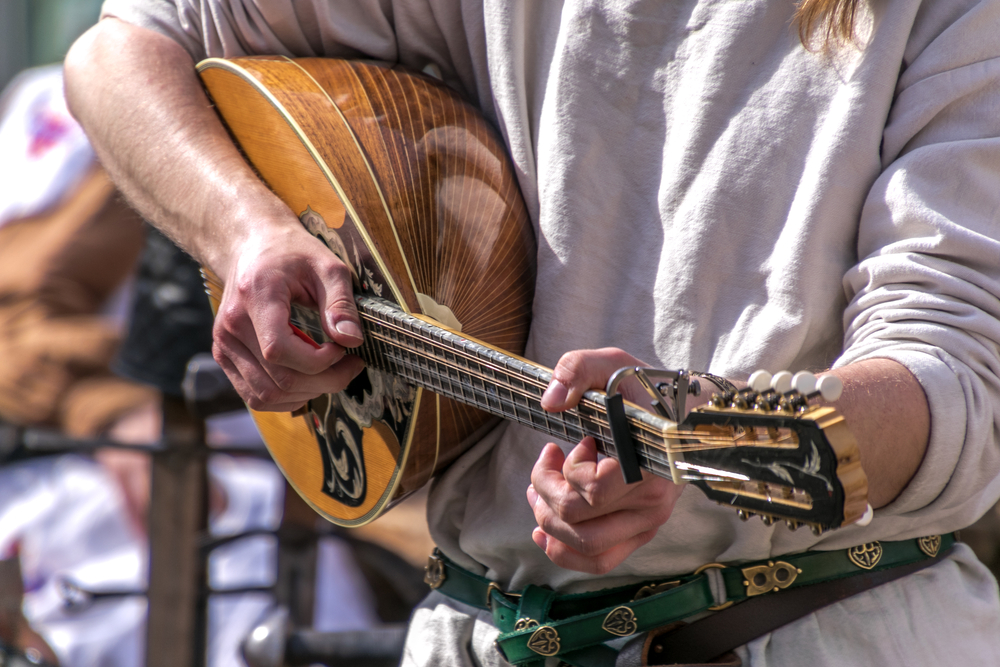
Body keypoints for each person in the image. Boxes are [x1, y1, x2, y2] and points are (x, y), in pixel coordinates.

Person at [62, 1, 1000, 665]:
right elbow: (121, 54)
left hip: (823, 633)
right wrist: (248, 233)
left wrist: (691, 433)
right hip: (478, 625)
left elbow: (952, 380)